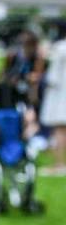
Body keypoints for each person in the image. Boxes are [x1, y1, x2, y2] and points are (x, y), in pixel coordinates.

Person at [41, 21, 66, 176]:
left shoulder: (60, 48)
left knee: (59, 130)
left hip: (60, 95)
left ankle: (59, 164)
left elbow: (52, 77)